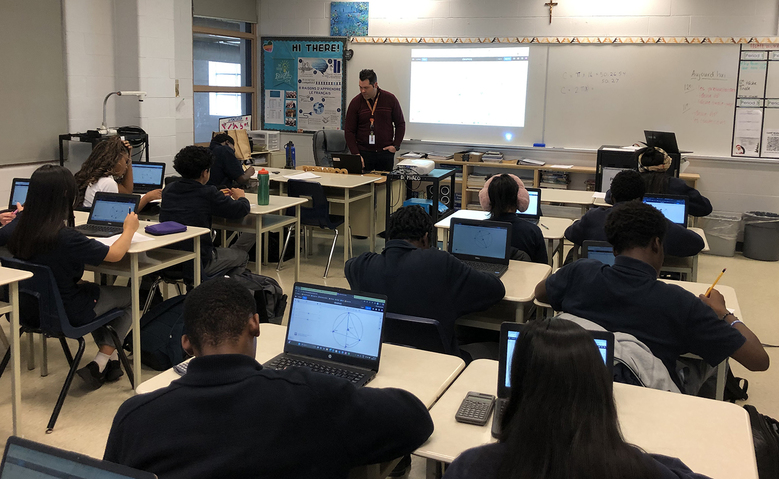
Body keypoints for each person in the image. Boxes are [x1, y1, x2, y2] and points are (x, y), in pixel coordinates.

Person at [104, 277, 433, 479]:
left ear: (186, 344)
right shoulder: (310, 397)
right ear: (255, 325)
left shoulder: (133, 419)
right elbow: (415, 420)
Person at [535, 200, 769, 390]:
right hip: (648, 399)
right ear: (657, 244)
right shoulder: (680, 303)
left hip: (576, 386)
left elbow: (541, 293)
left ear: (614, 248)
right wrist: (724, 314)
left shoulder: (579, 272)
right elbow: (758, 360)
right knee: (709, 361)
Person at [444, 318, 713, 479]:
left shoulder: (470, 467)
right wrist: (650, 461)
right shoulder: (634, 469)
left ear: (520, 385)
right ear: (597, 386)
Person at [0, 165, 138, 389]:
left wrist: (19, 215)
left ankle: (108, 365)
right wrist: (129, 229)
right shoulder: (66, 237)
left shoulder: (17, 229)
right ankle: (102, 361)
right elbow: (115, 254)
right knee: (129, 296)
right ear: (66, 196)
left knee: (94, 294)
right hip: (66, 312)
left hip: (28, 311)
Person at [345, 205, 505, 355]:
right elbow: (496, 290)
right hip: (443, 363)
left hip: (386, 358)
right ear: (426, 238)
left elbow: (349, 265)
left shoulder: (360, 267)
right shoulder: (440, 262)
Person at [159, 145, 253, 278]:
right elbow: (240, 210)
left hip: (167, 258)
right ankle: (218, 291)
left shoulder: (168, 189)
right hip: (199, 259)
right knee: (242, 256)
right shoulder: (208, 193)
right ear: (205, 172)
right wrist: (241, 197)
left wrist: (217, 196)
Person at [568, 170, 704, 257]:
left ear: (612, 198)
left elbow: (570, 233)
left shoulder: (594, 217)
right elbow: (696, 244)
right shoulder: (656, 221)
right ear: (641, 198)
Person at [604, 147, 712, 217]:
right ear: (667, 164)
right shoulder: (676, 185)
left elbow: (609, 197)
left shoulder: (630, 182)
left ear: (640, 165)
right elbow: (705, 208)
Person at [74, 137, 161, 210]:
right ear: (115, 160)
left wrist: (128, 157)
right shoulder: (107, 183)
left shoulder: (95, 177)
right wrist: (147, 197)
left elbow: (126, 191)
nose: (126, 167)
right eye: (125, 161)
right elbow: (121, 214)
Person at [344, 69, 405, 172]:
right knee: (364, 186)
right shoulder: (356, 103)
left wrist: (396, 145)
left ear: (375, 84)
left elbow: (400, 124)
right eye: (360, 87)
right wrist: (356, 154)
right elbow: (349, 131)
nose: (363, 91)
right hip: (364, 154)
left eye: (366, 88)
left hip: (385, 153)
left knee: (384, 186)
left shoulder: (390, 99)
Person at [478, 174, 548, 264]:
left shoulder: (479, 229)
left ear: (488, 200)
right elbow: (543, 267)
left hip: (487, 277)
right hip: (524, 277)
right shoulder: (533, 231)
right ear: (518, 199)